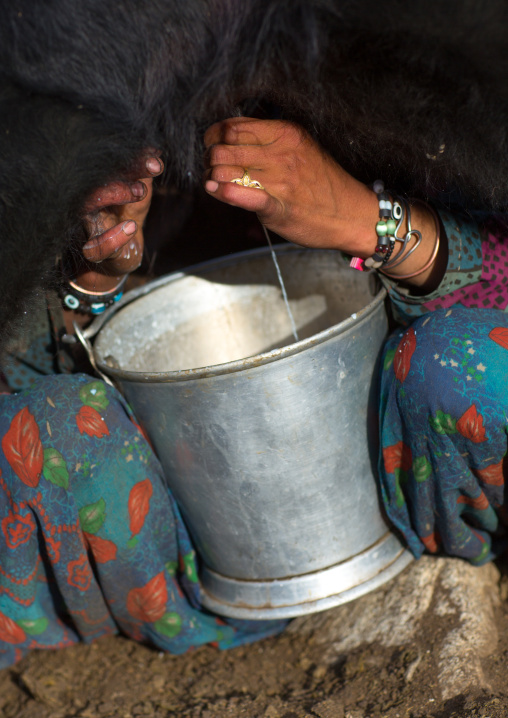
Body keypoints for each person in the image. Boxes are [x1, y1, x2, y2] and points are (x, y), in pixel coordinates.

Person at [1, 110, 506, 668]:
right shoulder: (91, 106)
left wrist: (371, 221)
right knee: (46, 428)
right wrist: (88, 279)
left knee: (466, 364)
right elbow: (32, 377)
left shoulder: (414, 79)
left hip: (421, 473)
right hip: (186, 549)